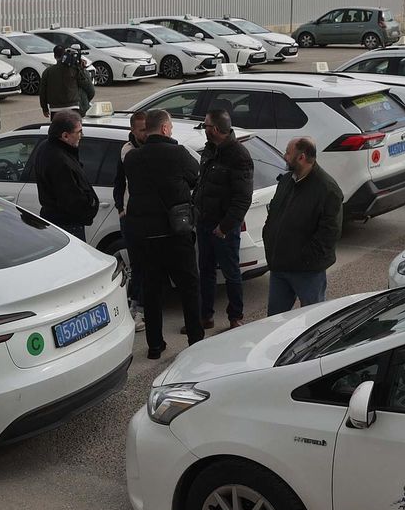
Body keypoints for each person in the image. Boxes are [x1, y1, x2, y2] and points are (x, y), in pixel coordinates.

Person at [122, 108, 203, 358]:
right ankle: (195, 341)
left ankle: (155, 346)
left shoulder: (132, 158)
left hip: (146, 237)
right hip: (176, 233)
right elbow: (195, 176)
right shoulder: (177, 153)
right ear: (166, 128)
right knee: (189, 289)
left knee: (152, 291)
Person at [262, 137, 344, 315]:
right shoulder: (286, 181)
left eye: (288, 153)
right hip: (280, 266)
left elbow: (329, 234)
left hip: (307, 272)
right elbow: (274, 214)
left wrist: (305, 257)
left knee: (312, 322)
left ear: (301, 157)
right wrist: (269, 238)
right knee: (273, 322)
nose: (284, 156)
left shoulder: (327, 189)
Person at [194, 108, 254, 331]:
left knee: (231, 273)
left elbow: (242, 198)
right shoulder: (209, 151)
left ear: (217, 129)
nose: (204, 130)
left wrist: (225, 226)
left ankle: (235, 316)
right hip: (204, 223)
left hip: (224, 228)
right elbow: (203, 183)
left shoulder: (239, 156)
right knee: (205, 271)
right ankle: (205, 316)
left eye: (206, 126)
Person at [34, 109, 99, 240]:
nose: (82, 135)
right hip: (67, 225)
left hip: (58, 222)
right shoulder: (59, 160)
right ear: (65, 136)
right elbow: (71, 199)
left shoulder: (48, 147)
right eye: (78, 132)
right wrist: (90, 204)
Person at [112, 110, 149, 326]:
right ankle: (138, 306)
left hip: (151, 218)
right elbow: (118, 182)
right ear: (133, 130)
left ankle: (144, 306)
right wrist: (120, 207)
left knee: (149, 265)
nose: (145, 133)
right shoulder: (125, 151)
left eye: (148, 128)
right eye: (142, 129)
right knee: (136, 265)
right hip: (130, 217)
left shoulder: (156, 149)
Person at [40, 44, 94, 117]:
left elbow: (43, 91)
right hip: (73, 106)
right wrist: (81, 68)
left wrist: (44, 108)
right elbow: (88, 86)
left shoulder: (48, 71)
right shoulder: (73, 69)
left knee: (58, 127)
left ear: (54, 56)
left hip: (55, 108)